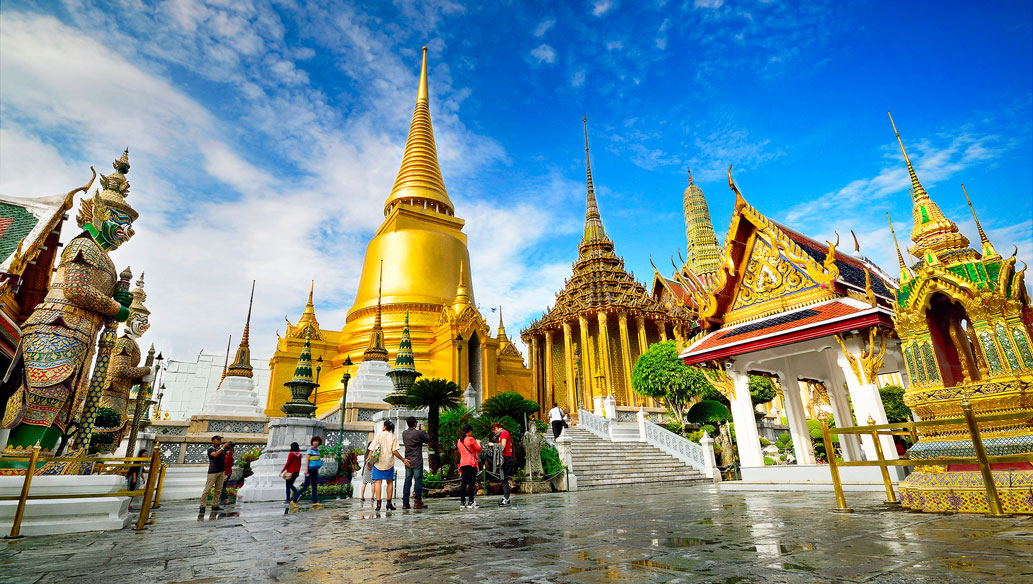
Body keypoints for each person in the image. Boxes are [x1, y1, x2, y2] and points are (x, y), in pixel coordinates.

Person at [365, 420, 410, 511]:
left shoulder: (378, 436)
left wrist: (368, 462)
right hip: (389, 463)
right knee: (390, 482)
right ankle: (388, 503)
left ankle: (378, 504)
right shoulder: (393, 437)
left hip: (378, 463)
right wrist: (402, 459)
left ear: (384, 427)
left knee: (378, 482)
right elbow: (395, 451)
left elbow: (371, 450)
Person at [401, 417, 431, 509]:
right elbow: (427, 439)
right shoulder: (418, 433)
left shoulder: (404, 433)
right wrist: (423, 431)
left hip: (408, 460)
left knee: (407, 481)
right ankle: (417, 501)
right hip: (417, 460)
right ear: (415, 424)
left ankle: (405, 503)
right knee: (418, 481)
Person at [200, 436, 231, 514]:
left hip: (221, 471)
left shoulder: (222, 449)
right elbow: (214, 455)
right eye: (218, 439)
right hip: (213, 472)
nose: (220, 441)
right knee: (207, 490)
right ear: (213, 441)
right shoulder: (211, 449)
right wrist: (223, 448)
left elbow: (230, 454)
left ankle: (215, 505)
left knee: (218, 490)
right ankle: (202, 506)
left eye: (220, 439)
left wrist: (231, 447)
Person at [291, 436, 324, 508]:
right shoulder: (310, 450)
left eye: (317, 441)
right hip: (309, 470)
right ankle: (294, 500)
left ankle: (315, 502)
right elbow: (306, 460)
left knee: (314, 486)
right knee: (305, 486)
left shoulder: (317, 450)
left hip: (315, 470)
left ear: (319, 442)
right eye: (314, 441)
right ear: (312, 442)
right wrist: (306, 470)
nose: (315, 442)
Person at [457, 423, 481, 509]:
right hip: (471, 463)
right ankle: (471, 501)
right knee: (471, 483)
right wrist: (478, 443)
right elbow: (479, 449)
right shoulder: (470, 439)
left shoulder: (459, 441)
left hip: (463, 463)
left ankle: (462, 502)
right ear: (469, 431)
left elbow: (461, 452)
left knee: (463, 483)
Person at [489, 422, 513, 506]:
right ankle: (506, 497)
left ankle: (506, 497)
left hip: (505, 458)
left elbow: (502, 446)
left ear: (496, 428)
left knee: (504, 478)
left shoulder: (504, 433)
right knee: (503, 478)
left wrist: (493, 445)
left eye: (494, 431)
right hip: (504, 458)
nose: (494, 433)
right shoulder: (502, 434)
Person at [359, 436, 375, 502]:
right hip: (373, 467)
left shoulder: (366, 454)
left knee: (364, 482)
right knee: (373, 482)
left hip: (366, 467)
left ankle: (362, 496)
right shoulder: (374, 453)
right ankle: (372, 497)